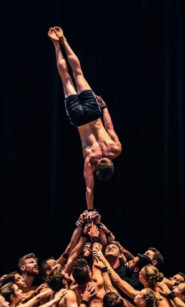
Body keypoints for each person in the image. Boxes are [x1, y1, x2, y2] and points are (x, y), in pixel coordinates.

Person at [48, 26, 122, 210]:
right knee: (66, 79)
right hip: (79, 118)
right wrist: (90, 210)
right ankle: (56, 44)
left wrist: (104, 108)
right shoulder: (90, 160)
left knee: (78, 73)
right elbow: (89, 189)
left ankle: (63, 40)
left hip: (94, 113)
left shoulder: (115, 150)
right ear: (98, 169)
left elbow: (109, 127)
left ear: (111, 164)